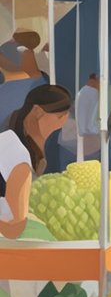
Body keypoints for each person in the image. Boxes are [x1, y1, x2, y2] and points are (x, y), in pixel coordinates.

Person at [0, 84, 71, 238]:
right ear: (38, 112)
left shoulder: (10, 139)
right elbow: (14, 228)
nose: (64, 122)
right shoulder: (19, 160)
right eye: (60, 116)